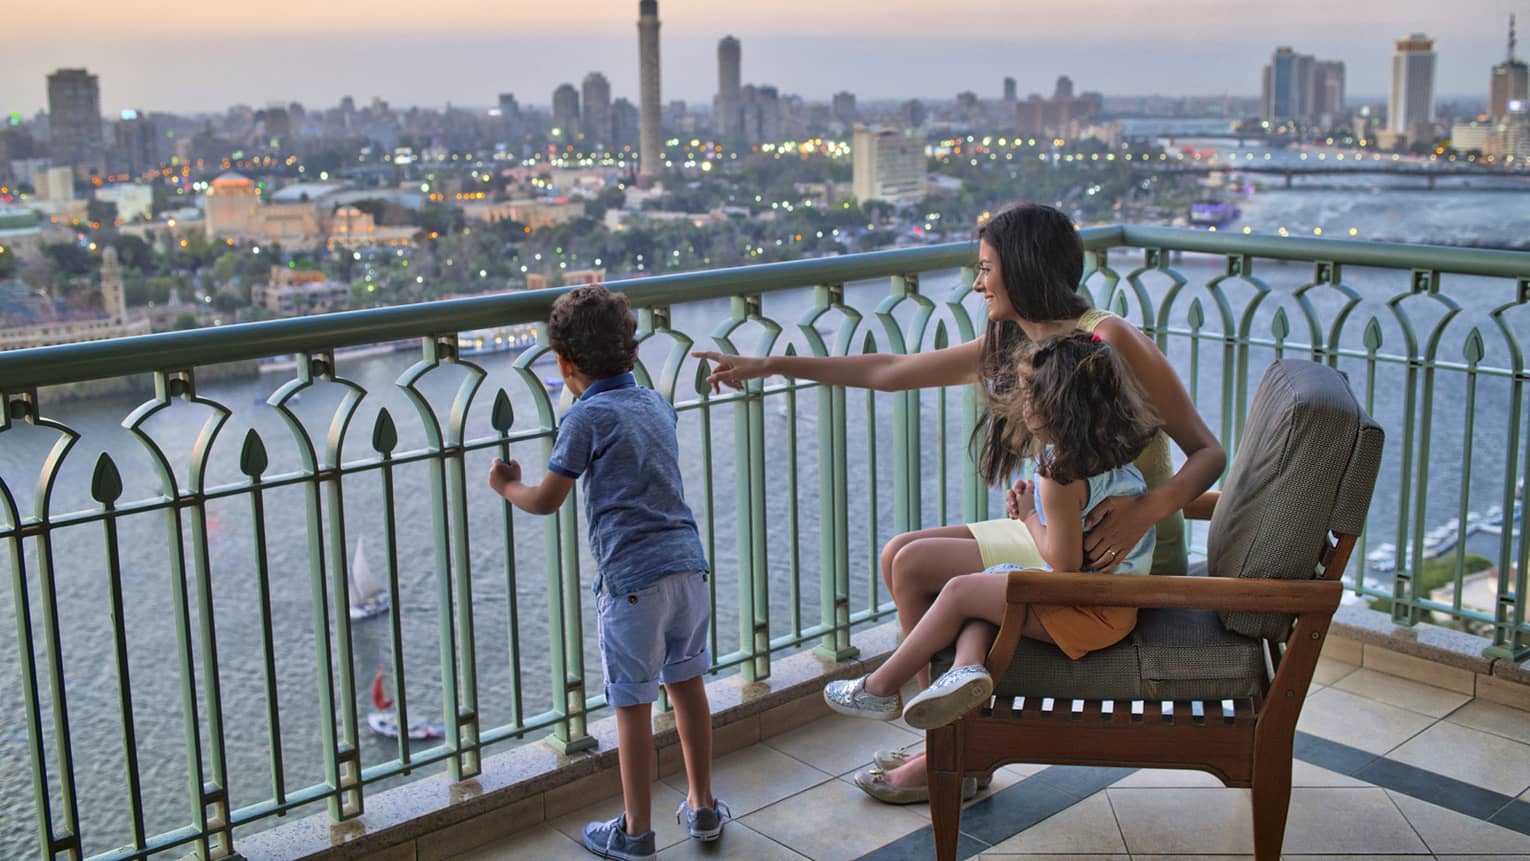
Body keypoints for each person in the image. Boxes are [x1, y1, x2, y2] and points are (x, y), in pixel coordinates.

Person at [692, 203, 1225, 802]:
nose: (978, 283)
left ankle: (948, 753)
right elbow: (891, 369)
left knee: (916, 567)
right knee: (900, 552)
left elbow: (1208, 452)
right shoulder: (1018, 344)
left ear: (1022, 269)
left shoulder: (1107, 338)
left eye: (986, 268)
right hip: (1064, 536)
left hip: (1126, 558)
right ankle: (949, 739)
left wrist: (1145, 511)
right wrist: (772, 364)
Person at [489, 285, 727, 861]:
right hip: (689, 567)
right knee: (688, 685)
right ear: (634, 350)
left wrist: (505, 486)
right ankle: (702, 808)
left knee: (632, 704)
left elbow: (548, 499)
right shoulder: (655, 404)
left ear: (565, 363)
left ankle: (636, 832)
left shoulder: (584, 416)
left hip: (631, 582)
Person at [822, 330, 1159, 730]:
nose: (1022, 401)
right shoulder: (1109, 456)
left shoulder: (1060, 473)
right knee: (985, 591)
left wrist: (1032, 515)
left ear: (1057, 405)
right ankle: (965, 670)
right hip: (1112, 606)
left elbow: (1065, 563)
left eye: (1029, 393)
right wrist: (1041, 509)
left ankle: (879, 688)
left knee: (961, 590)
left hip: (1087, 611)